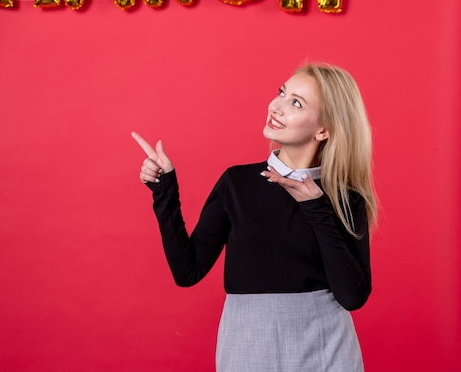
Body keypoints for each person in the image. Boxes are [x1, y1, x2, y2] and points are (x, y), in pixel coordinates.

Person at [131, 63, 378, 372]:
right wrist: (163, 190)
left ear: (323, 129)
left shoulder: (344, 197)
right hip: (247, 346)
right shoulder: (237, 183)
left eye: (296, 103)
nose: (277, 106)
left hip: (326, 348)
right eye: (282, 93)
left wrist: (316, 207)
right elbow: (187, 271)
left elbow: (352, 296)